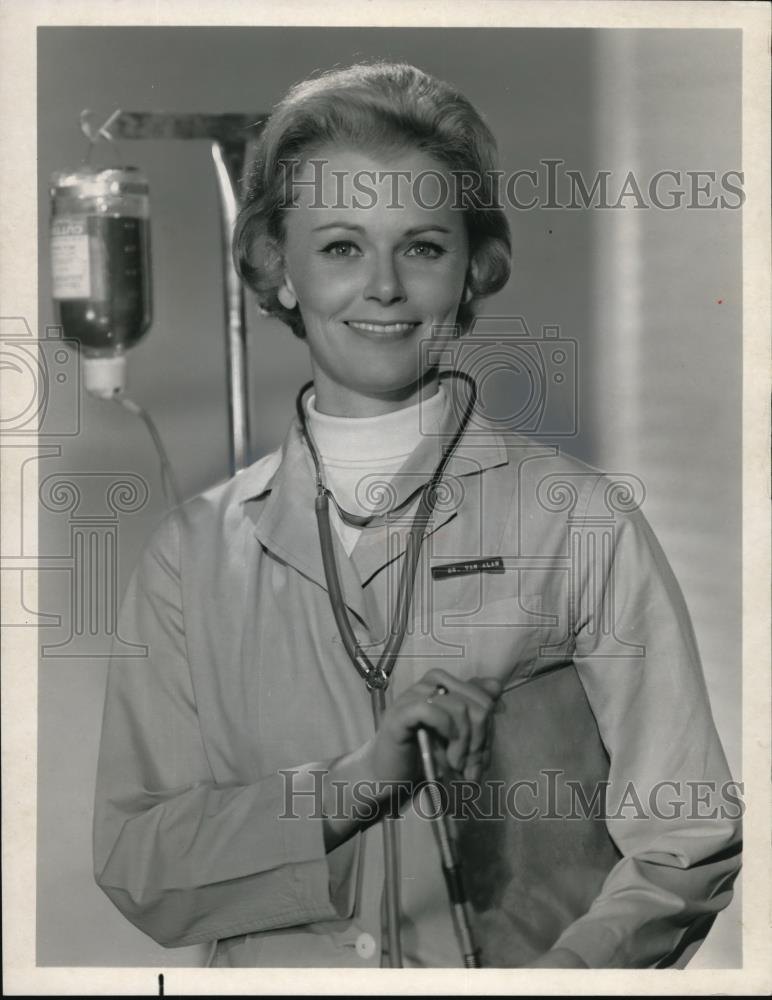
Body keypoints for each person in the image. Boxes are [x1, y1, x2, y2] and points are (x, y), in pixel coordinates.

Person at [93, 61, 741, 969]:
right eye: (342, 247)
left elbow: (689, 839)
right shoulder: (192, 555)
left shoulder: (581, 523)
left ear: (473, 269)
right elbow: (140, 866)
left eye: (424, 247)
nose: (386, 287)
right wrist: (356, 786)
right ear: (280, 271)